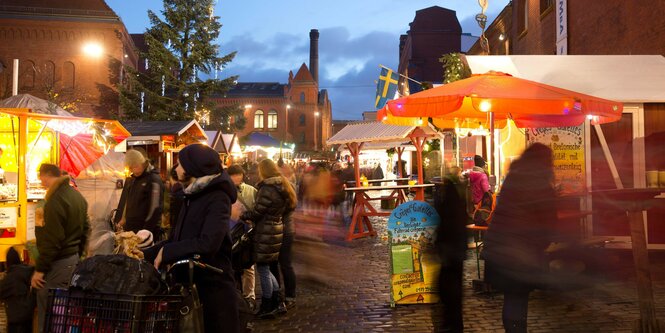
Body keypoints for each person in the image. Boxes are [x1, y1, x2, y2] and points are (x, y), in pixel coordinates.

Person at [145, 143, 239, 333]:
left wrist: (168, 252)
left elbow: (209, 243)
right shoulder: (191, 196)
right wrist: (143, 254)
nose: (176, 168)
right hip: (192, 288)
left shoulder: (217, 198)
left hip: (214, 294)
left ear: (193, 168)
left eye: (180, 164)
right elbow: (176, 239)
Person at [482, 143, 558, 333]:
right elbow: (548, 220)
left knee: (513, 298)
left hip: (500, 248)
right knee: (517, 298)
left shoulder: (513, 178)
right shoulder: (540, 183)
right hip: (519, 252)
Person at [32, 163, 89, 333]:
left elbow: (52, 240)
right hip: (71, 259)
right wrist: (78, 255)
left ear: (47, 176)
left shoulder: (55, 201)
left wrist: (40, 270)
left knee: (50, 311)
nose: (41, 182)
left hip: (57, 263)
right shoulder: (77, 196)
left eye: (41, 178)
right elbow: (85, 230)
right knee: (63, 311)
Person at [240, 159, 296, 319]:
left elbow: (258, 212)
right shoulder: (283, 185)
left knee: (263, 269)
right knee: (268, 268)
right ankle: (278, 301)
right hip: (276, 229)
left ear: (263, 171)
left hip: (266, 232)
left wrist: (242, 215)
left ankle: (267, 304)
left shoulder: (268, 188)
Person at [433, 166, 467, 333]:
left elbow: (446, 223)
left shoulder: (450, 198)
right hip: (457, 248)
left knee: (448, 290)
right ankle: (453, 324)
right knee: (453, 291)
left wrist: (439, 244)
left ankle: (450, 325)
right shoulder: (459, 195)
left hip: (450, 250)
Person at [114, 149, 164, 239]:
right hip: (131, 231)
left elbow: (155, 209)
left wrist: (145, 231)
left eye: (136, 166)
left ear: (143, 163)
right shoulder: (133, 180)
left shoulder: (153, 180)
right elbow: (129, 202)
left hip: (145, 233)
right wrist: (124, 219)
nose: (134, 170)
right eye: (131, 168)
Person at [228, 164, 258, 311]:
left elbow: (257, 210)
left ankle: (249, 296)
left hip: (246, 231)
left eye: (239, 174)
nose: (237, 177)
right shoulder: (224, 191)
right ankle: (235, 295)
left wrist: (250, 219)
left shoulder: (251, 191)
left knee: (248, 265)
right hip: (229, 231)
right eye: (234, 175)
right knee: (231, 265)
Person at [0, 247, 35, 333]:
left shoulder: (8, 278)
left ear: (7, 262)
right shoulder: (28, 271)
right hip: (29, 314)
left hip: (15, 319)